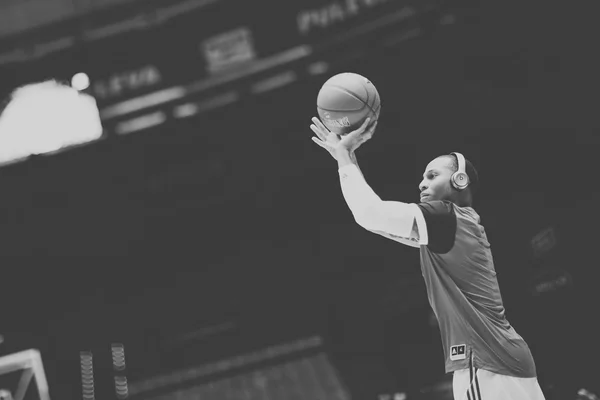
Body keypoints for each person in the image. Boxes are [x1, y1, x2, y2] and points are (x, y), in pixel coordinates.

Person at [310, 117, 546, 400]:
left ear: (460, 180)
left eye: (432, 175)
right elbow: (375, 222)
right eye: (422, 177)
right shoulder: (456, 226)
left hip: (485, 360)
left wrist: (343, 157)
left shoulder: (445, 216)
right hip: (504, 359)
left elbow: (369, 213)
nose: (422, 183)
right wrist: (347, 157)